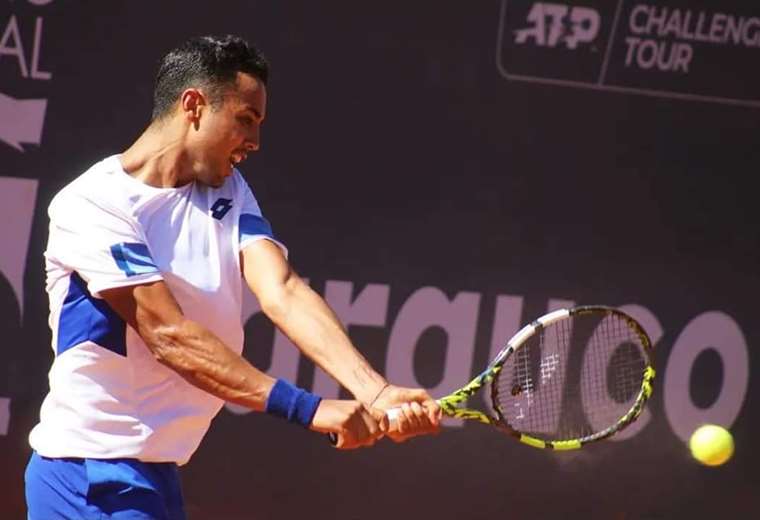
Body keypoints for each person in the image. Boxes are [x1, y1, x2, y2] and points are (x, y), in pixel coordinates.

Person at [25, 34, 440, 519]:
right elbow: (169, 335)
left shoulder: (228, 190)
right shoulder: (94, 205)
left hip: (153, 473)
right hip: (89, 478)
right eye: (245, 120)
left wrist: (375, 390)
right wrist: (308, 409)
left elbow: (281, 289)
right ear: (194, 105)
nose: (255, 142)